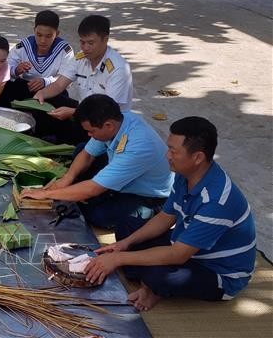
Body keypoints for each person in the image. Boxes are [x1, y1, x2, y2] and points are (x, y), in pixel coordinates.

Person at [84, 117, 257, 312]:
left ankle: (151, 286)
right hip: (186, 245)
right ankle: (148, 284)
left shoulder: (217, 201)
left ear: (198, 157)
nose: (167, 155)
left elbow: (178, 255)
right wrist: (125, 246)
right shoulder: (185, 175)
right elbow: (165, 217)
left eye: (173, 151)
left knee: (158, 275)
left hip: (218, 272)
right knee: (127, 227)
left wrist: (118, 258)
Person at [21, 94, 173, 240]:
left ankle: (152, 213)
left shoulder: (138, 147)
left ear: (108, 125)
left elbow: (93, 189)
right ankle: (93, 190)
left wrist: (46, 195)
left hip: (149, 196)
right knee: (81, 149)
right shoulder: (118, 120)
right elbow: (87, 154)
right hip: (125, 173)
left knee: (98, 216)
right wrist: (66, 179)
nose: (89, 135)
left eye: (91, 131)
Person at [30, 15, 134, 145]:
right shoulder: (81, 58)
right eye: (82, 42)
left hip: (103, 121)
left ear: (105, 40)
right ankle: (50, 139)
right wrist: (42, 94)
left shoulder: (118, 69)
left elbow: (108, 111)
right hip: (82, 111)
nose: (85, 47)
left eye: (90, 43)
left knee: (81, 142)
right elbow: (59, 84)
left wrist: (74, 113)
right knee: (47, 100)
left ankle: (66, 142)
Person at [0, 10, 74, 109]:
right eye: (39, 35)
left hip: (52, 92)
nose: (43, 40)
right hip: (26, 88)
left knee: (63, 100)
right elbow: (4, 68)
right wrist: (15, 70)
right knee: (4, 85)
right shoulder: (24, 46)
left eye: (48, 36)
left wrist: (45, 82)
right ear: (34, 30)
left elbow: (67, 80)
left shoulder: (65, 50)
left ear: (57, 33)